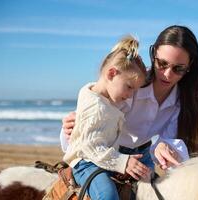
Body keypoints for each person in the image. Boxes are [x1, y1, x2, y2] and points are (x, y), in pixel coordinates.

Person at [60, 25, 198, 172]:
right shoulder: (129, 82)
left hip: (143, 155)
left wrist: (162, 146)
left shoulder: (183, 102)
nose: (167, 74)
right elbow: (93, 109)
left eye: (178, 69)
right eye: (162, 64)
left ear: (189, 66)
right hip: (108, 152)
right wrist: (70, 129)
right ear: (153, 53)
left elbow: (169, 141)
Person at [63, 35, 150, 200]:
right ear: (111, 74)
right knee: (107, 195)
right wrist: (123, 162)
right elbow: (90, 146)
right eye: (129, 87)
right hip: (86, 163)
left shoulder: (105, 100)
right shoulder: (96, 106)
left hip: (102, 160)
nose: (130, 95)